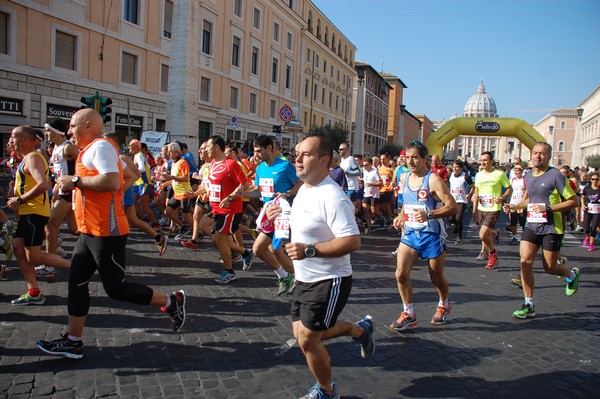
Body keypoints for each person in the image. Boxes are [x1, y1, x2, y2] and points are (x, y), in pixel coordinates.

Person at [36, 109, 186, 359]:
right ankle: (73, 341)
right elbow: (126, 177)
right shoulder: (89, 150)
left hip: (107, 232)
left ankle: (172, 301)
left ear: (87, 125)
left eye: (73, 126)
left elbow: (113, 181)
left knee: (116, 288)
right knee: (77, 282)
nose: (70, 131)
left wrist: (75, 182)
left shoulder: (100, 147)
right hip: (89, 229)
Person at [267, 135, 373, 399]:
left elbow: (352, 241)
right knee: (302, 331)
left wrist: (309, 251)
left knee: (308, 339)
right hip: (304, 277)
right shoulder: (303, 189)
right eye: (297, 153)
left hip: (330, 278)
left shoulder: (333, 196)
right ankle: (357, 330)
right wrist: (279, 217)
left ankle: (327, 391)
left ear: (324, 160)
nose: (297, 158)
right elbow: (306, 225)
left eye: (305, 154)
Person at [503, 142, 580, 319]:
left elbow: (573, 201)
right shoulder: (528, 175)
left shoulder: (556, 176)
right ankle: (528, 304)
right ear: (531, 155)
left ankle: (571, 274)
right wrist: (514, 207)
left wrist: (549, 208)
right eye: (535, 153)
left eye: (542, 154)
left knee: (550, 268)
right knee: (525, 262)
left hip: (552, 227)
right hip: (532, 225)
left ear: (549, 156)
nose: (538, 156)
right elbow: (528, 200)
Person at [389, 141, 458, 331]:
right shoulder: (404, 177)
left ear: (425, 158)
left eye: (415, 157)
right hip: (410, 233)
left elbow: (452, 206)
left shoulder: (433, 179)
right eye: (407, 157)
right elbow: (406, 202)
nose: (410, 161)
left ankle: (443, 304)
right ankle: (408, 313)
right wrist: (401, 216)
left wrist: (430, 214)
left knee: (435, 277)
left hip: (432, 234)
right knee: (400, 274)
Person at [7, 125, 71, 304]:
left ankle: (80, 267)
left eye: (13, 136)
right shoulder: (26, 159)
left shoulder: (33, 158)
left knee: (33, 256)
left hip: (34, 213)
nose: (10, 140)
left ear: (25, 139)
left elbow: (44, 185)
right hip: (28, 213)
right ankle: (34, 292)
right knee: (19, 250)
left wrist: (20, 200)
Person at [242, 135, 301, 295]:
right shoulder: (260, 168)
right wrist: (242, 192)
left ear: (269, 148)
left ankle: (301, 279)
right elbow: (259, 191)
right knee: (258, 249)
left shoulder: (285, 166)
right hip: (268, 214)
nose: (256, 154)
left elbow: (300, 183)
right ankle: (286, 276)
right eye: (254, 151)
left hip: (283, 213)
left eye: (259, 151)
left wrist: (287, 194)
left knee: (275, 250)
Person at [205, 135, 254, 284]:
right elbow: (213, 184)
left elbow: (244, 185)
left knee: (220, 239)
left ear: (216, 147)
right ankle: (245, 253)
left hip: (230, 209)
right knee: (217, 239)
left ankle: (229, 271)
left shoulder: (231, 164)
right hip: (216, 209)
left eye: (208, 146)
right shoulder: (213, 163)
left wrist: (230, 198)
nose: (206, 149)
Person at [44, 118, 79, 262]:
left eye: (48, 131)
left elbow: (84, 164)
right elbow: (59, 171)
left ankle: (49, 263)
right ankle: (101, 244)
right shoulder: (56, 148)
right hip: (61, 191)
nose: (46, 134)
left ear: (57, 132)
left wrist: (74, 181)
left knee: (50, 225)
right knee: (74, 229)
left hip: (69, 191)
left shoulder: (68, 147)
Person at [472, 151, 512, 269]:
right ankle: (494, 242)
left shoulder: (499, 174)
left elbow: (509, 188)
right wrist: (474, 203)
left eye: (485, 160)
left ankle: (492, 254)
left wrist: (503, 197)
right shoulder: (479, 175)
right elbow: (476, 191)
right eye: (481, 160)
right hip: (481, 207)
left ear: (491, 161)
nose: (483, 162)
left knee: (482, 234)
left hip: (494, 208)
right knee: (485, 234)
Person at [129, 139, 159, 229]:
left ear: (136, 147)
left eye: (130, 146)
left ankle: (155, 223)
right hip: (138, 184)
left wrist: (132, 173)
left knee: (144, 206)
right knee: (132, 203)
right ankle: (145, 219)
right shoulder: (137, 156)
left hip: (144, 183)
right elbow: (147, 167)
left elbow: (142, 168)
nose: (128, 148)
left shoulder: (139, 155)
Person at [447, 160, 473, 244]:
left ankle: (459, 236)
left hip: (462, 200)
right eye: (453, 167)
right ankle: (455, 228)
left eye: (457, 167)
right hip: (452, 199)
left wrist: (469, 194)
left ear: (461, 168)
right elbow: (447, 185)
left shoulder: (465, 177)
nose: (455, 169)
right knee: (450, 218)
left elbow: (473, 186)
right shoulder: (450, 176)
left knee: (458, 219)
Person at [338, 142, 361, 215]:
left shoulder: (350, 159)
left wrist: (348, 172)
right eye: (339, 149)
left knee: (350, 208)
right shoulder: (341, 160)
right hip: (344, 187)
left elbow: (358, 172)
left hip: (351, 188)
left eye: (341, 149)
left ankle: (356, 220)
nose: (339, 151)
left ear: (347, 150)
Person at [507, 164, 527, 245]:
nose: (516, 172)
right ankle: (514, 237)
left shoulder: (524, 180)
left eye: (518, 170)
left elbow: (528, 191)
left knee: (523, 222)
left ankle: (525, 238)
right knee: (513, 221)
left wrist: (525, 189)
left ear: (521, 172)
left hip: (522, 203)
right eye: (515, 171)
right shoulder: (512, 180)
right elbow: (509, 190)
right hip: (513, 203)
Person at [361, 157, 382, 232]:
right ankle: (368, 226)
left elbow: (380, 182)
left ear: (370, 164)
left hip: (374, 194)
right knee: (365, 209)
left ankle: (382, 218)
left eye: (366, 165)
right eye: (363, 165)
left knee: (374, 211)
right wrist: (360, 180)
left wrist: (371, 184)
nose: (364, 167)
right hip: (366, 193)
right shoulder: (364, 171)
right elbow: (365, 179)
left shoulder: (375, 171)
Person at [581, 171, 600, 251]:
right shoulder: (587, 188)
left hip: (597, 211)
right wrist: (582, 205)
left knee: (594, 227)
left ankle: (591, 244)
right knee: (586, 228)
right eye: (593, 179)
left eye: (596, 179)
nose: (595, 181)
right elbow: (582, 197)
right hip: (588, 210)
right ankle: (587, 236)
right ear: (590, 180)